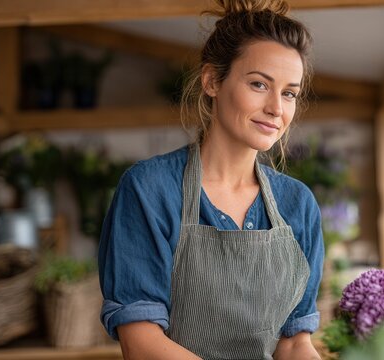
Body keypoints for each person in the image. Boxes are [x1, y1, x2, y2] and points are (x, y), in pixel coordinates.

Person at [98, 0, 324, 358]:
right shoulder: (150, 189)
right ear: (212, 81)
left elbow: (295, 342)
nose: (277, 110)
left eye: (289, 93)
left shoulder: (297, 204)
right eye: (259, 84)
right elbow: (140, 341)